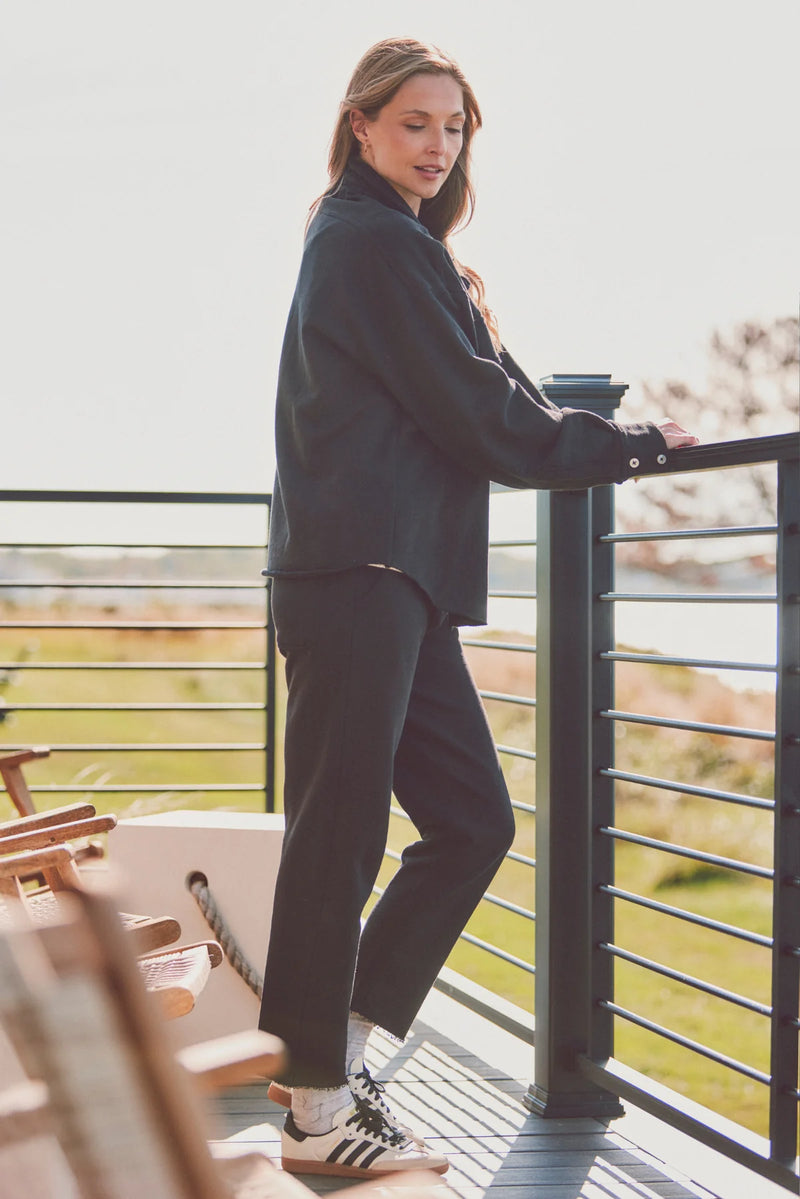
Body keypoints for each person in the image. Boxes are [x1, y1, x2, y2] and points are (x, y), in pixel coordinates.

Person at [258, 36, 698, 1181]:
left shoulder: (402, 248)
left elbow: (498, 393)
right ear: (360, 125)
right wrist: (634, 446)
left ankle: (336, 1055)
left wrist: (603, 437)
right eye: (414, 123)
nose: (437, 146)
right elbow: (482, 418)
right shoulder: (365, 240)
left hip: (392, 581)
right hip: (359, 577)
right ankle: (312, 1105)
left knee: (470, 824)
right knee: (340, 836)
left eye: (454, 129)